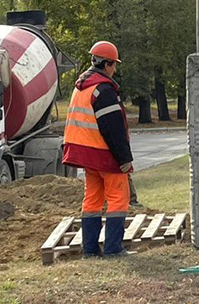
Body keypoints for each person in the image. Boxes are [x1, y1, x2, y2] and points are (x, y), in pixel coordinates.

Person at [63, 41, 135, 257]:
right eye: (114, 65)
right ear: (107, 64)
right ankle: (113, 249)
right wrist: (124, 158)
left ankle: (90, 250)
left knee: (92, 199)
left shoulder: (82, 88)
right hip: (104, 154)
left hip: (86, 154)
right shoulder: (103, 91)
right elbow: (112, 129)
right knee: (118, 197)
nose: (115, 70)